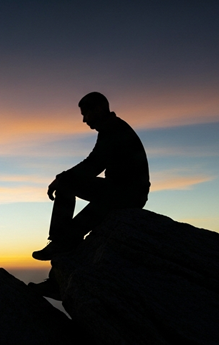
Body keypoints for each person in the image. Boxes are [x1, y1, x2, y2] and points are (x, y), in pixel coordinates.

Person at [31, 92, 150, 261]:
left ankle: (59, 242)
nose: (84, 120)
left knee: (66, 185)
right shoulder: (113, 128)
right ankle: (63, 243)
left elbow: (93, 164)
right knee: (74, 227)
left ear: (99, 109)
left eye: (85, 114)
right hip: (123, 193)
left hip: (124, 194)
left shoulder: (113, 129)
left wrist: (61, 179)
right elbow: (95, 163)